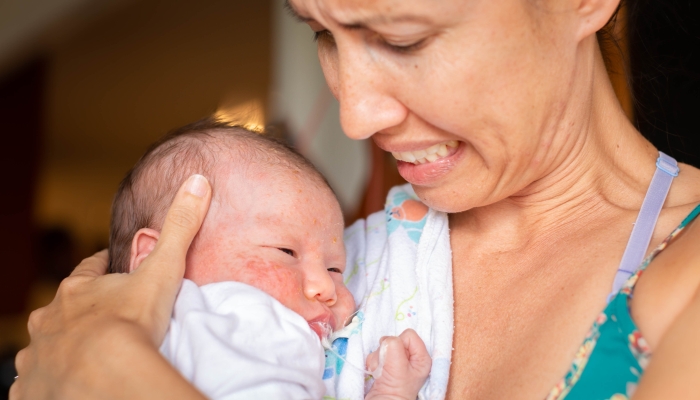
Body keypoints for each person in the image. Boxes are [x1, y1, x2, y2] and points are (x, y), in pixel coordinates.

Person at [11, 0, 700, 399]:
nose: (355, 116)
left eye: (404, 39)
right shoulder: (336, 260)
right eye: (322, 34)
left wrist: (112, 371)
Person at [107, 118, 431, 399]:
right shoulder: (247, 320)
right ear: (156, 260)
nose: (326, 287)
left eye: (335, 268)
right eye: (286, 252)